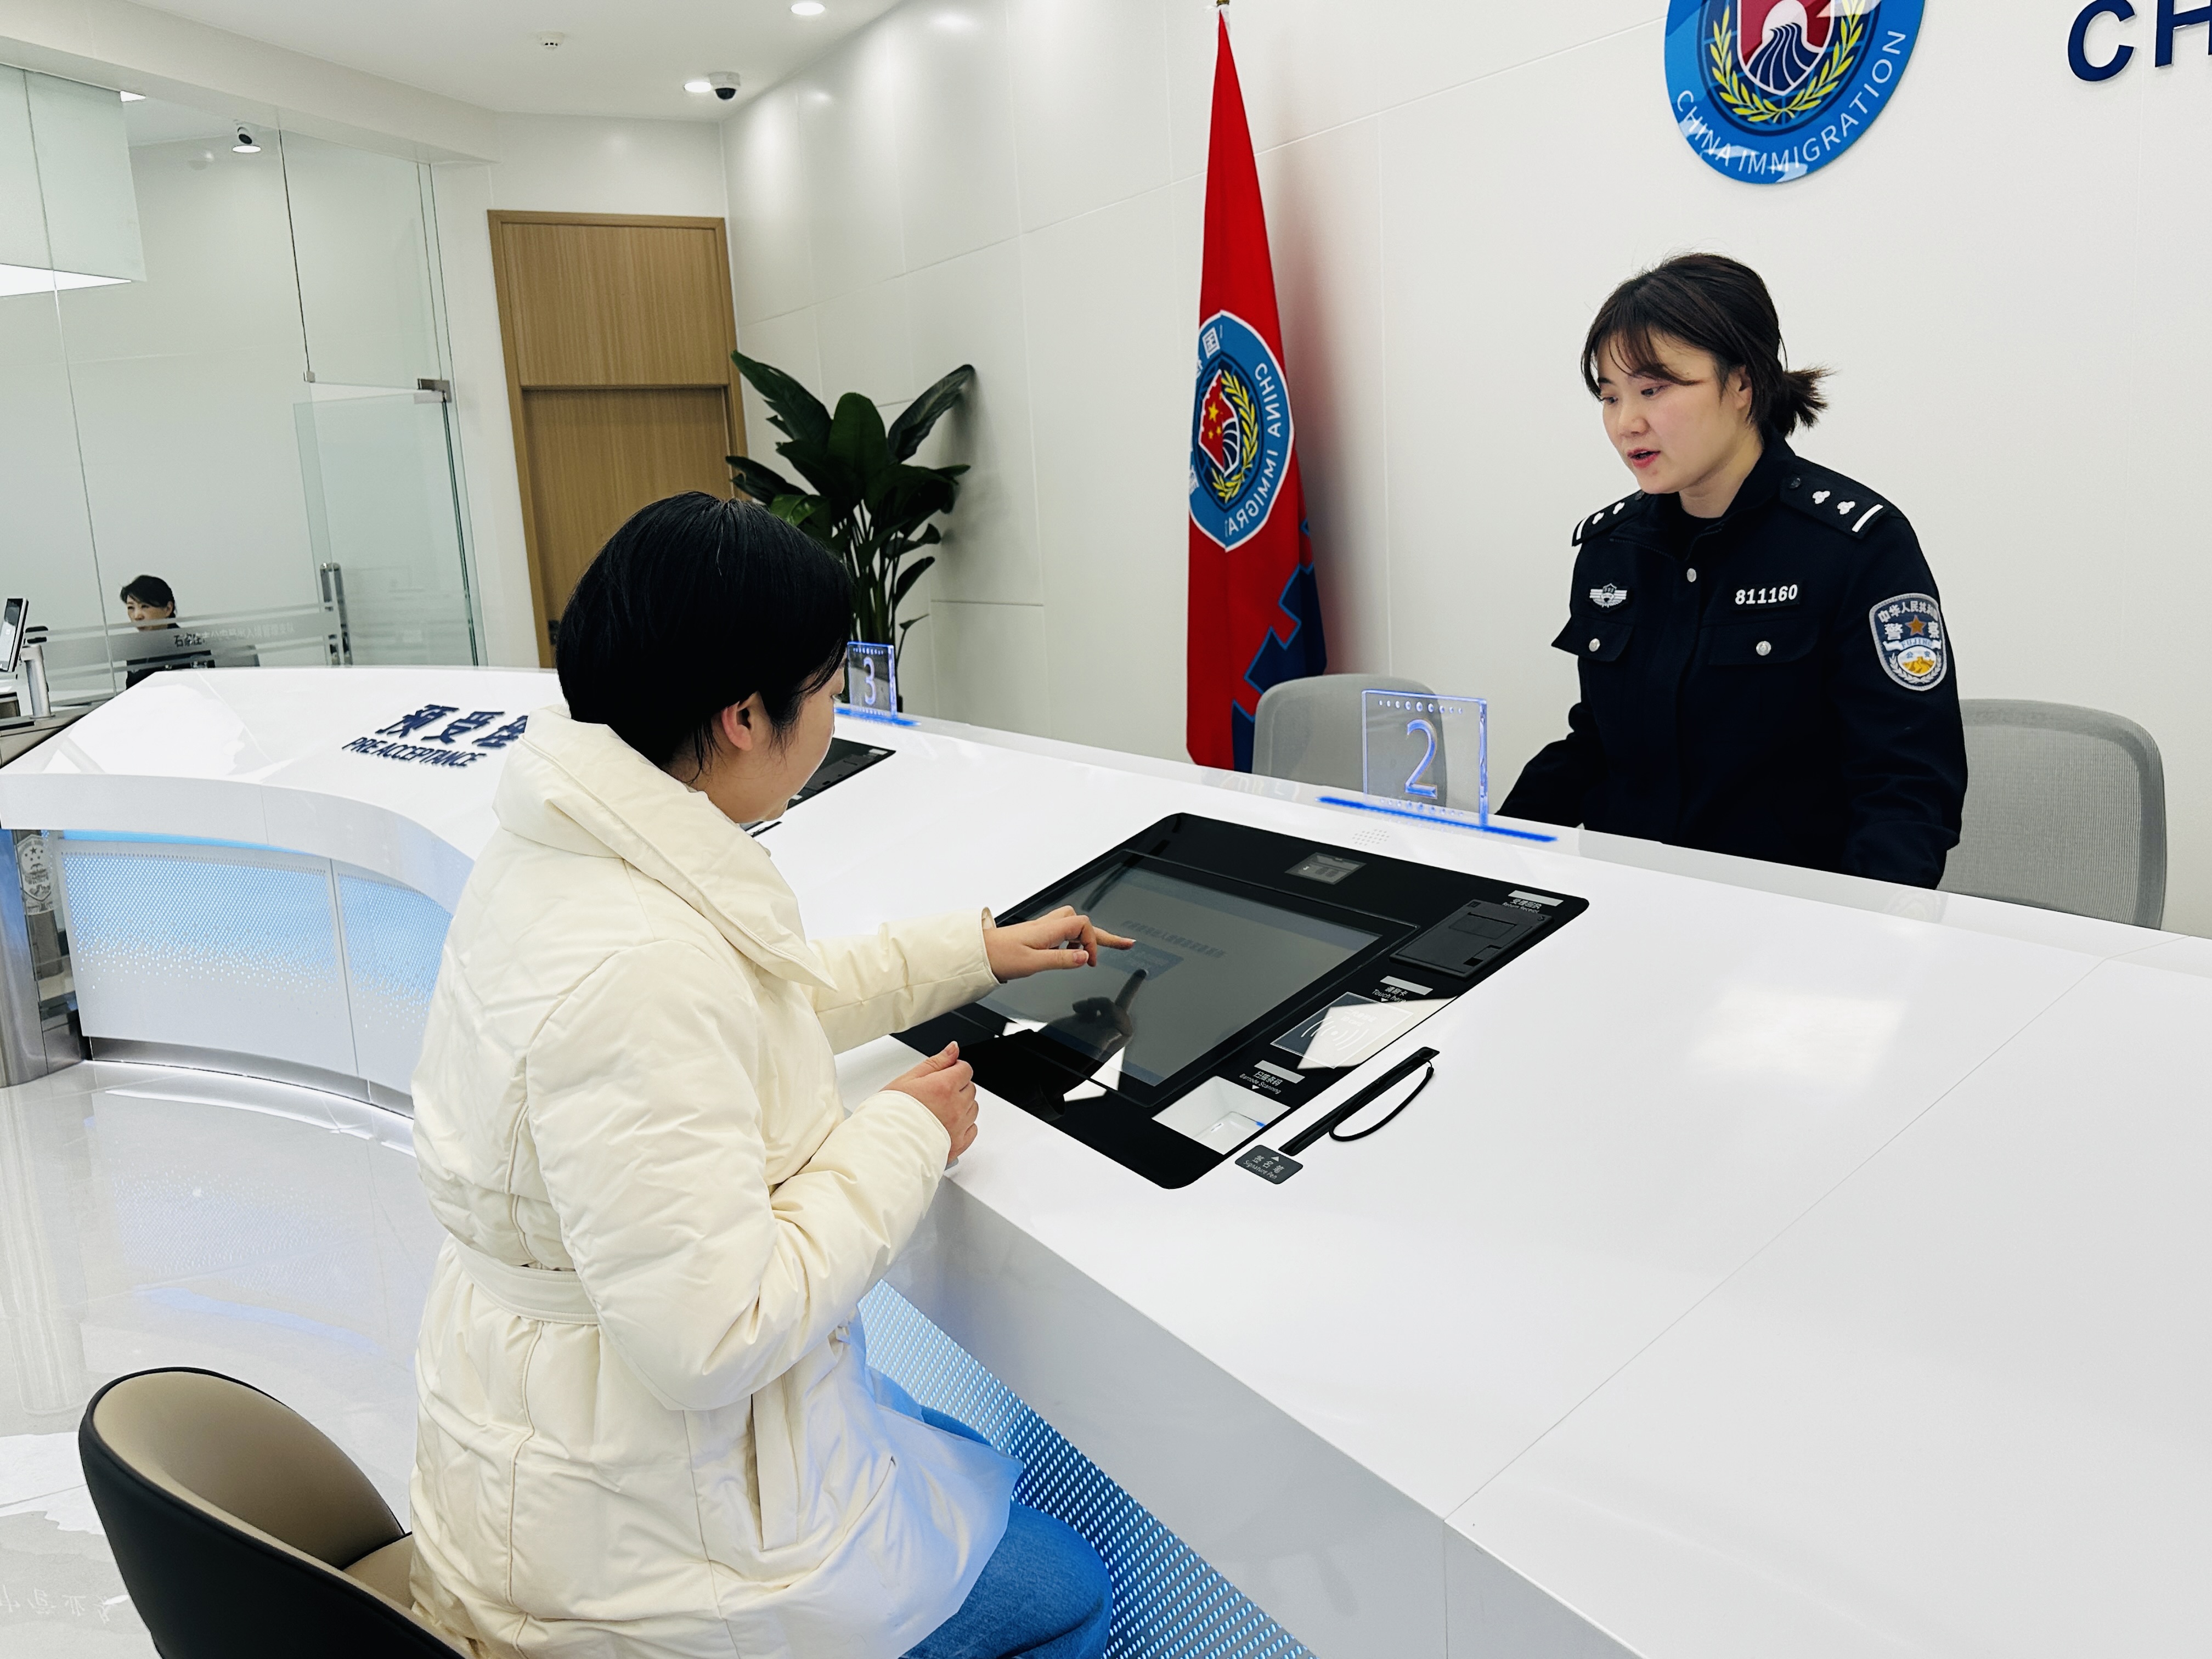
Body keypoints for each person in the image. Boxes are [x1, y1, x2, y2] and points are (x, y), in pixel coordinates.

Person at [407, 493, 1127, 1659]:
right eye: (829, 685)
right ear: (745, 716)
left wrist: (974, 952)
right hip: (641, 1567)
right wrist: (904, 1133)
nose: (836, 714)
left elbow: (747, 997)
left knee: (947, 1445)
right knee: (1072, 1587)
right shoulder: (641, 958)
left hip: (539, 1459)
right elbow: (715, 1334)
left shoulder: (564, 852)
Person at [1500, 254, 1966, 888]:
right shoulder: (1612, 548)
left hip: (1787, 920)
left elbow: (1905, 788)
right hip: (1623, 904)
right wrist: (1487, 856)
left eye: (1653, 390)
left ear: (1742, 383)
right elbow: (1600, 744)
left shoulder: (1856, 545)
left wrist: (1865, 934)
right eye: (1610, 397)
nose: (1626, 422)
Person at [119, 575, 181, 688]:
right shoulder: (136, 648)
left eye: (145, 606)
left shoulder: (188, 645)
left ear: (168, 609)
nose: (137, 616)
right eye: (131, 608)